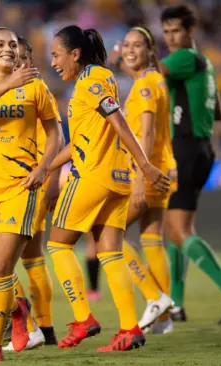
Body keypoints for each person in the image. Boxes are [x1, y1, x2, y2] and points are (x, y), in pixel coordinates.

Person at [111, 5, 221, 324]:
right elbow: (219, 113)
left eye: (177, 31)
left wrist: (121, 56)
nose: (172, 37)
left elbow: (151, 70)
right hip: (201, 147)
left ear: (190, 32)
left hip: (184, 147)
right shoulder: (207, 64)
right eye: (168, 31)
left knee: (176, 231)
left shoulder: (183, 58)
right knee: (175, 230)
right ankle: (177, 302)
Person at [48, 25, 169, 352]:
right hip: (115, 179)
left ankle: (82, 316)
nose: (54, 62)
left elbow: (119, 121)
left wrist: (145, 165)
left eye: (57, 55)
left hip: (93, 175)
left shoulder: (92, 80)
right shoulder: (94, 81)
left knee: (58, 246)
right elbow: (79, 140)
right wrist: (46, 167)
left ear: (75, 53)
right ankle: (129, 328)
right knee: (110, 252)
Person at [0, 27, 60, 362]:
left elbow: (54, 132)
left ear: (20, 52)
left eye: (13, 44)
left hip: (20, 188)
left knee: (0, 266)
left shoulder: (36, 86)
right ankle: (18, 310)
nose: (8, 48)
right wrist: (8, 84)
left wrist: (44, 167)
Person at [118, 26, 175, 333]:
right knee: (152, 239)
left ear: (151, 50)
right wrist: (121, 60)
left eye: (137, 45)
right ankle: (165, 317)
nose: (130, 49)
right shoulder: (154, 80)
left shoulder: (143, 87)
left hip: (147, 171)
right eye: (126, 44)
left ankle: (154, 297)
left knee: (109, 234)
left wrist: (141, 178)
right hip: (163, 167)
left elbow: (148, 133)